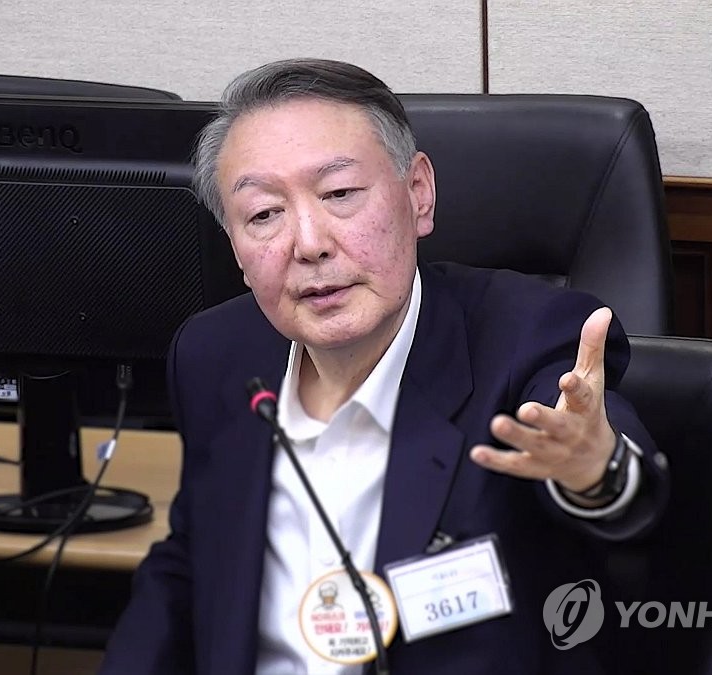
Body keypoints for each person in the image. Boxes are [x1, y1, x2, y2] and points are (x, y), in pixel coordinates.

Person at [99, 58, 669, 674]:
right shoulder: (214, 355)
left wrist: (596, 469)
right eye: (264, 214)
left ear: (418, 193)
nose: (309, 243)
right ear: (234, 246)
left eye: (340, 194)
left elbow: (624, 492)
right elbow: (193, 561)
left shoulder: (526, 336)